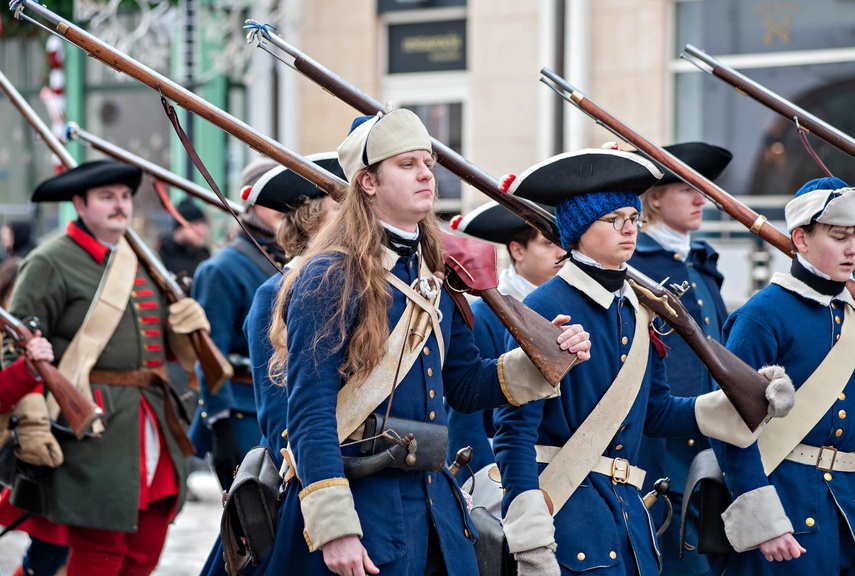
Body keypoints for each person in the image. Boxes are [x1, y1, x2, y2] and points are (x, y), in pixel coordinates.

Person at [253, 108, 592, 576]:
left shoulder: (436, 274)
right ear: (368, 182)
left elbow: (467, 385)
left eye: (428, 164)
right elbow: (309, 411)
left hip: (435, 507)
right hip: (361, 509)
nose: (425, 175)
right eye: (407, 164)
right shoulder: (328, 274)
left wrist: (548, 359)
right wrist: (335, 529)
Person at [490, 147, 794, 576]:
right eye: (613, 220)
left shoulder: (634, 307)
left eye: (633, 219)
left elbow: (655, 410)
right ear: (579, 227)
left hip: (630, 520)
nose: (629, 230)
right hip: (565, 517)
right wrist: (532, 540)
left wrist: (739, 405)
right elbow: (514, 433)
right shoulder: (543, 305)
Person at [1, 159, 210, 576]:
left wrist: (184, 331)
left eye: (126, 196)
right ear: (80, 204)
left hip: (151, 418)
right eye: (107, 197)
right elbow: (14, 349)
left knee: (144, 554)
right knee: (99, 557)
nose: (121, 205)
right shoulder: (50, 261)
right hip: (91, 425)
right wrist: (33, 421)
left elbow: (155, 350)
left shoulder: (140, 258)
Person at [198, 152, 342, 576]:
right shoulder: (271, 292)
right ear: (313, 219)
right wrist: (220, 418)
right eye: (341, 209)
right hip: (299, 463)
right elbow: (284, 411)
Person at [709, 177, 855, 575]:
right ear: (801, 239)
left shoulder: (849, 312)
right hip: (786, 510)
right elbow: (729, 423)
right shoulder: (762, 315)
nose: (852, 249)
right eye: (840, 236)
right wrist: (763, 520)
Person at [629, 141, 733, 575]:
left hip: (712, 433)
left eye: (702, 189)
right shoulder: (636, 264)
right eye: (686, 189)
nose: (700, 199)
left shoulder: (700, 263)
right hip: (663, 441)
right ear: (654, 198)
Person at [446, 201, 564, 486]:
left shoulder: (564, 304)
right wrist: (484, 488)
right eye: (548, 243)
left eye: (563, 243)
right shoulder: (483, 316)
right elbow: (466, 416)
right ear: (517, 250)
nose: (562, 253)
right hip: (502, 475)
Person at [188, 157, 286, 492]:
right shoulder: (222, 268)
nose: (281, 207)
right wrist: (221, 424)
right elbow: (208, 353)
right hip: (242, 411)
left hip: (283, 408)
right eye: (270, 197)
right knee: (250, 524)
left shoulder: (290, 257)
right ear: (251, 200)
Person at [157, 196, 211, 282]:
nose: (202, 231)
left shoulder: (204, 256)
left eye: (203, 225)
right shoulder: (162, 256)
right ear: (180, 227)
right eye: (196, 224)